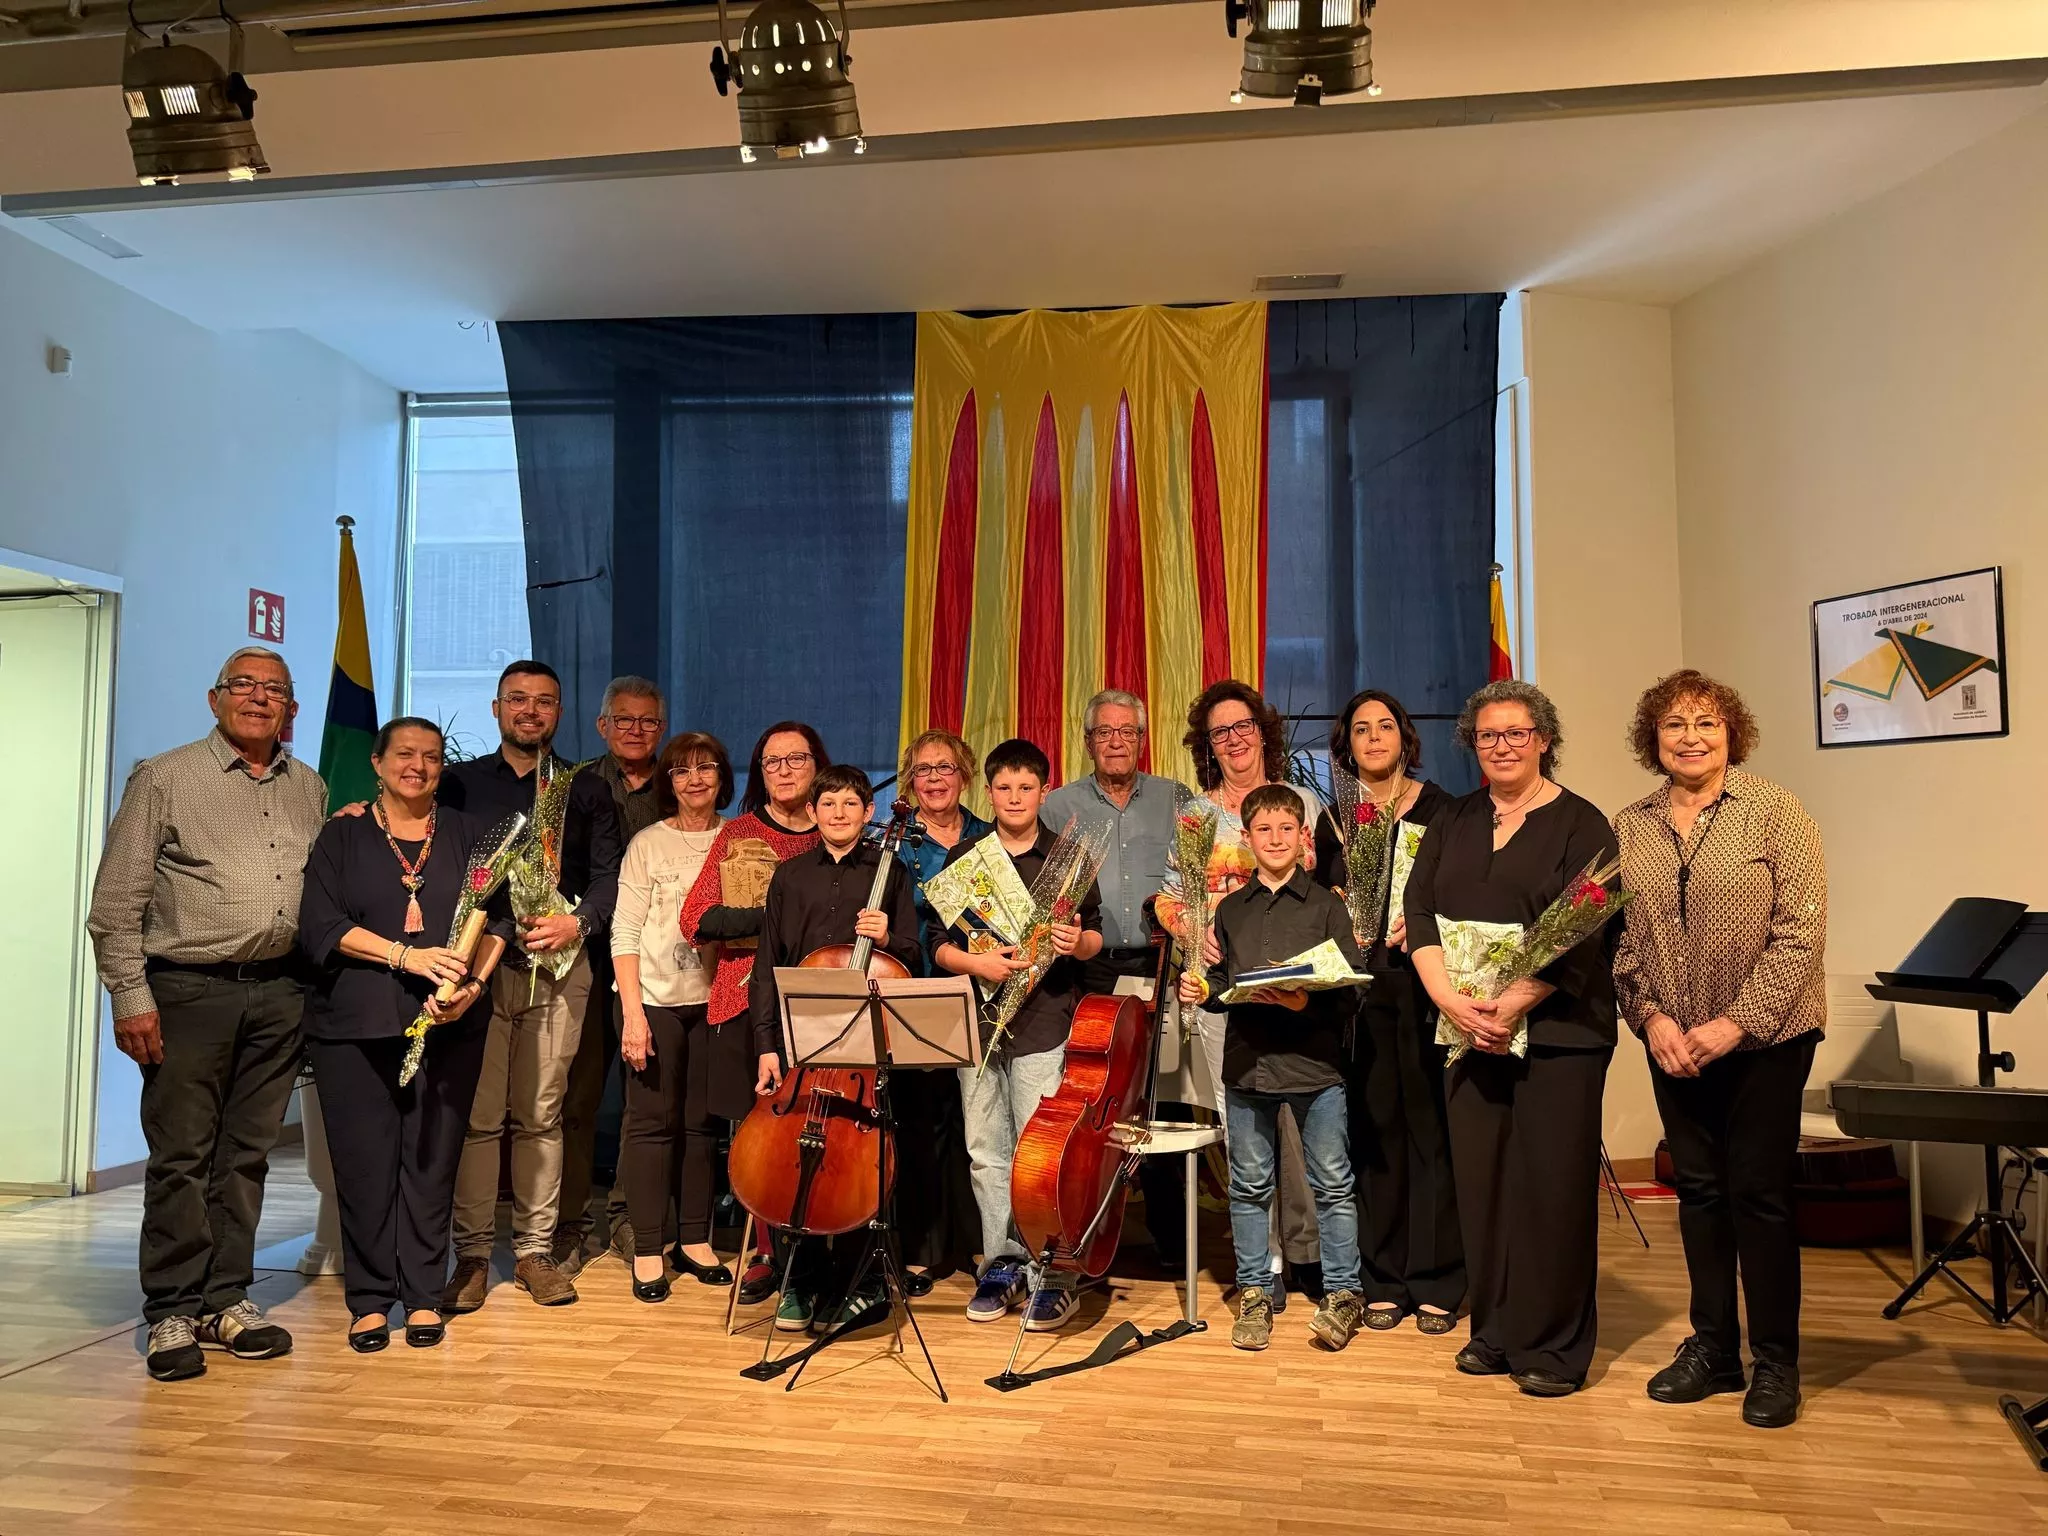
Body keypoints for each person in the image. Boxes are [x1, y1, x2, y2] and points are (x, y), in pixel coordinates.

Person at [86, 646, 326, 1382]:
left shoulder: (307, 786)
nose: (259, 698)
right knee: (183, 1157)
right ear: (214, 698)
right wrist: (131, 996)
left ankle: (227, 1299)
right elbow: (115, 907)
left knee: (246, 1155)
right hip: (187, 993)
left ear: (290, 708)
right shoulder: (164, 778)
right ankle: (170, 1312)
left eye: (274, 690)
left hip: (279, 994)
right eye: (244, 686)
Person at [1613, 670, 1827, 1430]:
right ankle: (1714, 1349)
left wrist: (1735, 1024)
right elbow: (1620, 942)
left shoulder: (1775, 813)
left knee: (1758, 1196)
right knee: (1699, 1193)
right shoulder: (1630, 824)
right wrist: (1653, 1020)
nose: (1691, 736)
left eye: (1706, 722)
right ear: (1654, 738)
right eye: (1675, 723)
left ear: (1732, 732)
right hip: (1673, 1041)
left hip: (1768, 1036)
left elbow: (1800, 933)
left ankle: (1776, 1363)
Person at [1406, 679, 1619, 1398]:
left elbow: (1588, 926)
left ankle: (1554, 1346)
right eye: (1488, 735)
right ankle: (1493, 1331)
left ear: (1544, 740)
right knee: (1485, 1184)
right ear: (1473, 743)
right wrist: (1448, 998)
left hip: (1559, 1035)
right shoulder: (1455, 818)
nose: (1502, 746)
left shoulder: (1582, 824)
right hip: (1466, 1031)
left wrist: (1512, 1002)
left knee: (1551, 1191)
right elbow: (1421, 908)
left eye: (1516, 734)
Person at [297, 718, 512, 1352]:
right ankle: (367, 1300)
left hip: (448, 1023)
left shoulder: (471, 837)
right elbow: (321, 924)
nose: (416, 766)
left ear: (443, 766)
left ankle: (422, 1295)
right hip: (352, 1024)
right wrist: (406, 957)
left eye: (431, 756)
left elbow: (498, 918)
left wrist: (472, 986)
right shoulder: (342, 836)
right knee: (363, 1166)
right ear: (377, 762)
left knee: (431, 1160)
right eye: (404, 755)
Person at [437, 660, 622, 1313]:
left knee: (542, 1117)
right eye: (518, 700)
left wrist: (579, 921)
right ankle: (472, 1257)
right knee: (481, 1120)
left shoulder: (586, 789)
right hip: (479, 974)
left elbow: (607, 878)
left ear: (560, 713)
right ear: (496, 709)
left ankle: (536, 1252)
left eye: (544, 702)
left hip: (561, 969)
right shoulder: (456, 785)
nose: (530, 711)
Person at [1180, 785, 1369, 1353]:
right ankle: (1256, 1291)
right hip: (1249, 1068)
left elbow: (1353, 989)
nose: (1276, 839)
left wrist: (1306, 1000)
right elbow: (1221, 986)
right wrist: (1202, 989)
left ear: (1302, 837)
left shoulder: (1328, 905)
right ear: (1249, 839)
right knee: (1249, 1186)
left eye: (1287, 829)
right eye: (1265, 830)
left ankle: (1342, 1292)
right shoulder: (1229, 909)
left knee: (1333, 1185)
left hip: (1315, 1066)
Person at [1153, 678, 1324, 1303]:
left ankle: (1308, 1250)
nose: (1234, 739)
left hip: (1298, 990)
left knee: (1306, 1123)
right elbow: (1168, 898)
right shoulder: (1195, 817)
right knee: (1245, 1127)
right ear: (1209, 744)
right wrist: (1194, 928)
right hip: (1225, 994)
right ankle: (1269, 1262)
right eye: (1220, 731)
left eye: (1243, 726)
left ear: (1262, 730)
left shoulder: (1302, 802)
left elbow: (1326, 894)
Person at [930, 738, 1104, 1332]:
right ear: (989, 793)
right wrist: (976, 964)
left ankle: (1050, 1271)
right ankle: (1000, 1264)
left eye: (1025, 787)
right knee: (986, 1154)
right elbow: (939, 943)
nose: (1013, 797)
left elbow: (1095, 937)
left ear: (1043, 791)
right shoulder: (967, 859)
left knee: (1039, 1158)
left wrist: (1073, 943)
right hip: (978, 1027)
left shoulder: (1069, 858)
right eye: (1003, 788)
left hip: (1045, 1025)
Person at [748, 764, 921, 1333]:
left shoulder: (891, 871)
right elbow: (768, 967)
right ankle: (798, 1276)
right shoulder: (790, 876)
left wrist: (887, 938)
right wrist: (768, 1044)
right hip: (802, 1044)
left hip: (866, 1048)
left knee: (855, 1162)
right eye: (829, 804)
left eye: (851, 803)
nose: (839, 813)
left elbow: (913, 958)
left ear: (869, 812)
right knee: (796, 1157)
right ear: (813, 812)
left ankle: (861, 1278)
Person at [1311, 689, 1463, 1334]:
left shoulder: (1443, 809)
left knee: (1431, 1132)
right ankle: (1383, 1277)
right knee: (1372, 1134)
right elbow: (1320, 902)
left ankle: (1437, 1278)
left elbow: (1462, 891)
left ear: (1405, 736)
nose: (1374, 738)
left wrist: (1422, 921)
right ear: (1347, 744)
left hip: (1424, 984)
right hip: (1359, 993)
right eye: (1361, 730)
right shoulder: (1333, 820)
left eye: (1385, 727)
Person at [678, 720, 827, 1304]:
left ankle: (822, 1247)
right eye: (772, 762)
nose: (785, 770)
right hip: (744, 998)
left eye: (796, 759)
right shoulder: (738, 833)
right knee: (759, 1139)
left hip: (818, 1002)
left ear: (818, 764)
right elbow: (697, 920)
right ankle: (767, 1254)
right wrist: (776, 917)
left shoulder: (836, 828)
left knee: (818, 1132)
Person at [1042, 688, 1191, 1266]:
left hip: (1161, 965)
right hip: (1088, 966)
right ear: (1087, 742)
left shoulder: (1175, 799)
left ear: (1141, 739)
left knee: (1161, 1098)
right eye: (1104, 732)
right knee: (1096, 1098)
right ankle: (1087, 1227)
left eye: (1126, 732)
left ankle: (1171, 1240)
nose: (1115, 742)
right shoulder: (1058, 806)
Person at [615, 731, 750, 1303]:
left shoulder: (740, 840)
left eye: (707, 768)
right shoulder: (648, 842)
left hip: (718, 999)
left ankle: (696, 1240)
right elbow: (624, 930)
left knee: (702, 1127)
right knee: (651, 1126)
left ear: (723, 778)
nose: (695, 780)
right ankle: (650, 1248)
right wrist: (632, 1015)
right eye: (682, 770)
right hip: (654, 1001)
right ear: (668, 781)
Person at [560, 675, 670, 1273]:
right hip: (583, 956)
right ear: (602, 725)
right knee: (576, 1097)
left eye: (648, 721)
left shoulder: (680, 788)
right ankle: (570, 1223)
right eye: (623, 720)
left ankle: (630, 1216)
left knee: (644, 1101)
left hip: (656, 968)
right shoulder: (572, 786)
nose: (635, 730)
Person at [891, 729, 991, 1291]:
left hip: (982, 993)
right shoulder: (896, 842)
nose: (934, 777)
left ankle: (977, 1244)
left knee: (973, 1128)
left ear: (965, 774)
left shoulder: (986, 835)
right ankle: (926, 1248)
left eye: (945, 767)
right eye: (924, 769)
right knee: (923, 1120)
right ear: (911, 780)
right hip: (919, 992)